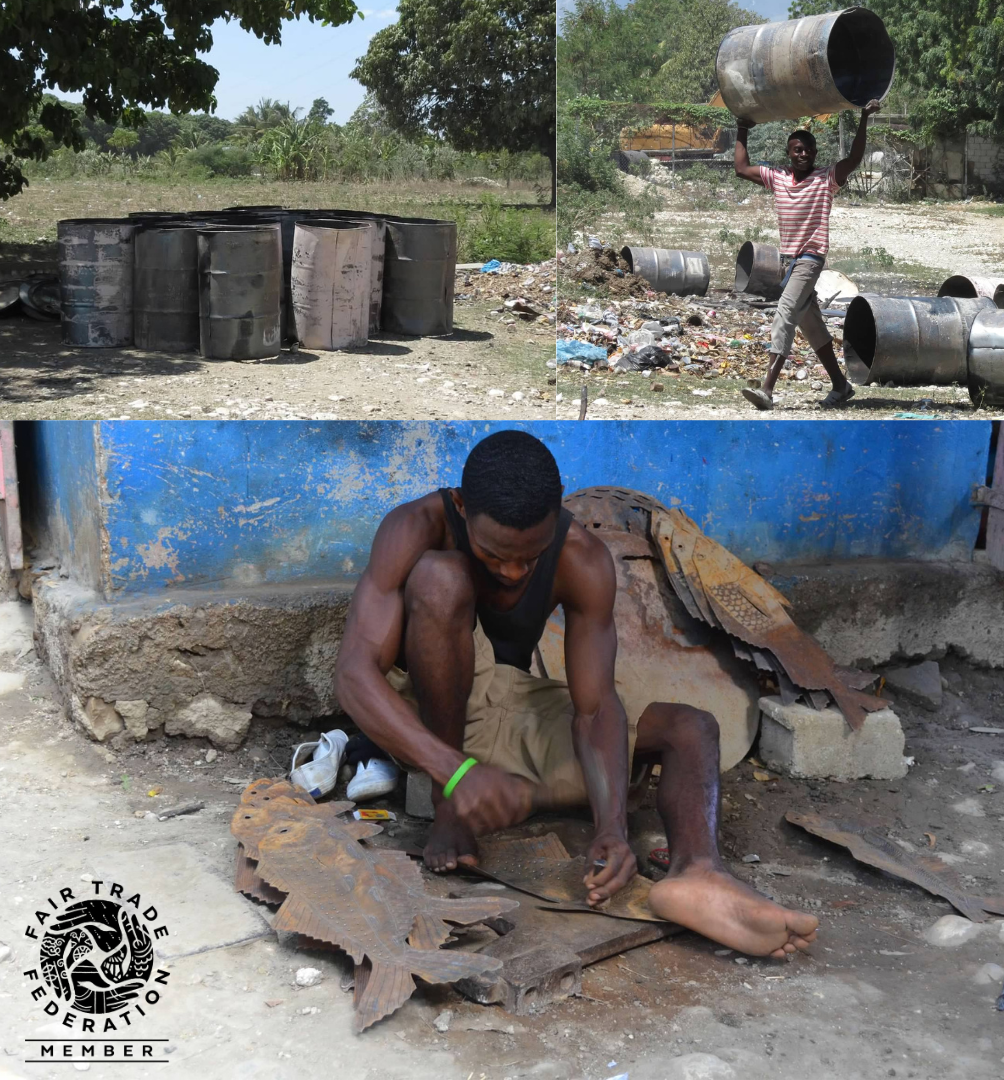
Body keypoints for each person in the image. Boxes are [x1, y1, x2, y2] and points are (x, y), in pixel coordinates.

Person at [333, 430, 819, 959]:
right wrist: (453, 775)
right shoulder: (413, 527)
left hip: (516, 712)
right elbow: (355, 675)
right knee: (440, 577)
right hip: (432, 727)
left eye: (530, 556)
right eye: (494, 554)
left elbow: (594, 707)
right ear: (460, 505)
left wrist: (611, 828)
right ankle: (452, 810)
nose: (514, 571)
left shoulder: (581, 558)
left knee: (691, 726)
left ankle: (698, 874)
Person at [734, 102, 882, 411]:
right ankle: (841, 386)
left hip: (810, 260)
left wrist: (865, 118)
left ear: (815, 153)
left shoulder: (826, 179)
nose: (803, 154)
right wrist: (743, 129)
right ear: (789, 153)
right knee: (811, 326)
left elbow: (854, 158)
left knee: (785, 313)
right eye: (797, 149)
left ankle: (767, 390)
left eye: (808, 150)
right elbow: (740, 167)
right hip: (788, 262)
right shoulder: (778, 178)